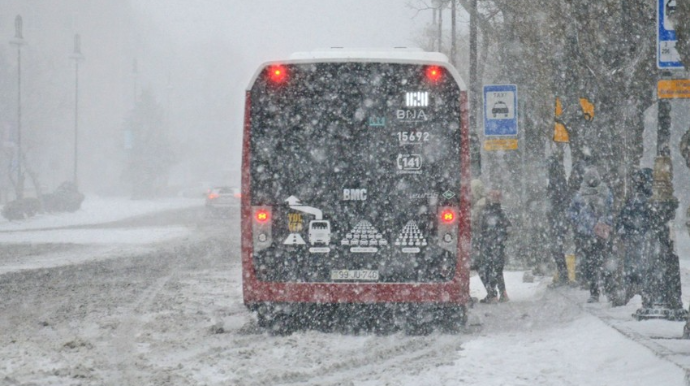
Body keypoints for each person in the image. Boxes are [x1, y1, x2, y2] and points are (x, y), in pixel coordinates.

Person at [567, 168, 614, 303]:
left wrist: (582, 223)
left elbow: (571, 213)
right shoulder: (605, 193)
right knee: (597, 263)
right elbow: (572, 213)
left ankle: (601, 291)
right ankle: (600, 291)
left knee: (597, 263)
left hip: (593, 234)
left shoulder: (582, 194)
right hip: (594, 234)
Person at [615, 168, 654, 306]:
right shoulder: (645, 199)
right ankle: (639, 291)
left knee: (635, 265)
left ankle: (635, 291)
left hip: (637, 236)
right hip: (641, 236)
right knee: (639, 265)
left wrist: (623, 229)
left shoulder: (637, 199)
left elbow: (624, 216)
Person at [478, 190, 512, 303]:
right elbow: (508, 228)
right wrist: (501, 239)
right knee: (497, 270)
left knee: (485, 269)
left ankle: (492, 294)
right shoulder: (501, 212)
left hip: (488, 245)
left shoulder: (487, 212)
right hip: (498, 245)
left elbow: (482, 228)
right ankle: (503, 293)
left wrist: (484, 240)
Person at [546, 155, 570, 287]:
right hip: (558, 218)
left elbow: (556, 201)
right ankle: (563, 274)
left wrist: (553, 213)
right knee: (556, 247)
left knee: (556, 247)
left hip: (558, 219)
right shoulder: (559, 181)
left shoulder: (556, 182)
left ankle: (563, 275)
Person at [470, 179, 487, 271]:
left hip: (479, 232)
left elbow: (474, 220)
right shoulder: (483, 201)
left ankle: (476, 262)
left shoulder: (480, 204)